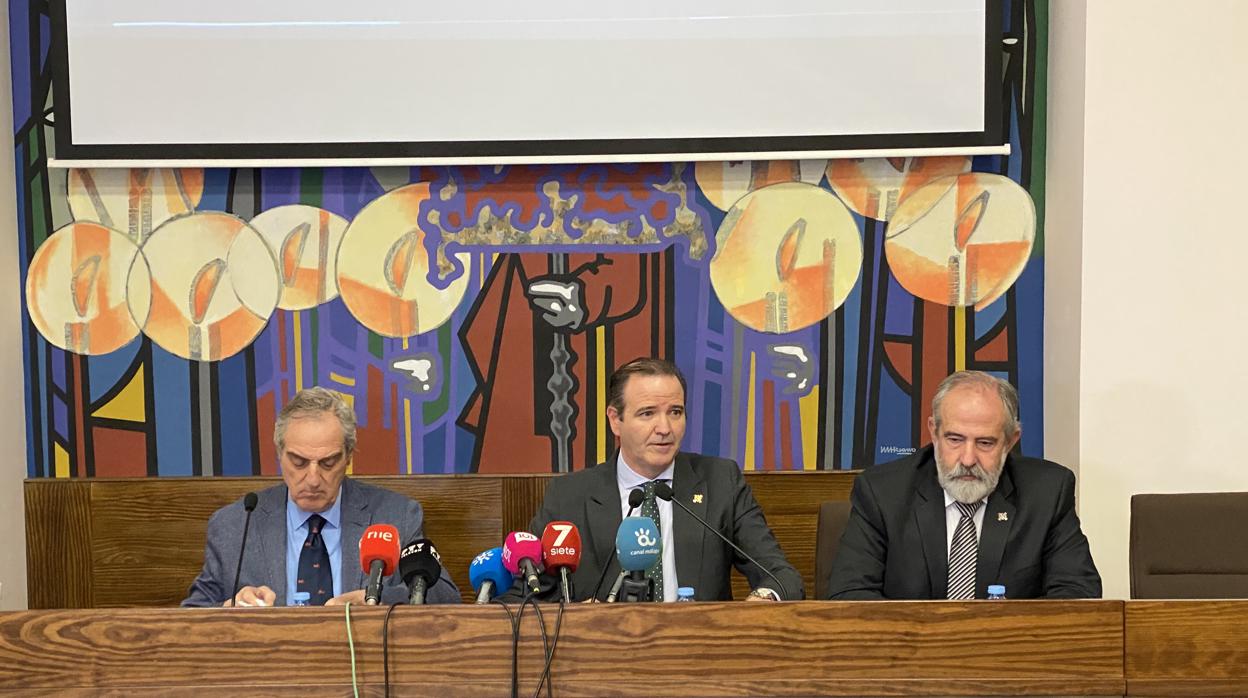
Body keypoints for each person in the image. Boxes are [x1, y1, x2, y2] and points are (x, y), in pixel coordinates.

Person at [528, 357, 803, 601]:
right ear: (615, 420)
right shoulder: (569, 496)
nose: (665, 428)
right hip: (605, 642)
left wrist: (763, 600)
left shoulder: (720, 482)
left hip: (697, 640)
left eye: (675, 412)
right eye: (647, 413)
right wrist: (578, 617)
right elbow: (528, 593)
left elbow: (781, 575)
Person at [825, 370, 1101, 599]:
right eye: (955, 440)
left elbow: (1078, 595)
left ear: (1010, 440)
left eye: (985, 443)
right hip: (909, 649)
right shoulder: (882, 493)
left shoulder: (1047, 493)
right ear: (934, 431)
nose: (968, 459)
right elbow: (850, 595)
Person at [183, 387, 460, 607]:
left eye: (328, 463)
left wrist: (377, 600)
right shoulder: (235, 525)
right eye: (299, 462)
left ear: (348, 457)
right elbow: (191, 614)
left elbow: (445, 596)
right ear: (279, 453)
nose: (313, 479)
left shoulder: (395, 515)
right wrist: (230, 607)